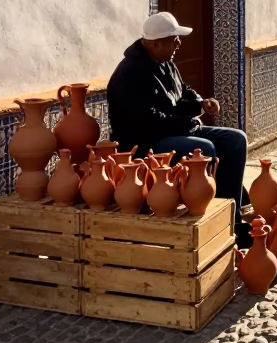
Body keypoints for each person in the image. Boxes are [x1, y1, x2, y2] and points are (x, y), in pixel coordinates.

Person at [107, 12, 250, 242]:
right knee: (204, 150)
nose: (179, 44)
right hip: (147, 143)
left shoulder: (167, 64)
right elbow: (148, 121)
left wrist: (201, 103)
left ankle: (232, 220)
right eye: (174, 39)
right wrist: (188, 122)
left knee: (236, 140)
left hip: (176, 130)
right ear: (156, 44)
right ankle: (209, 225)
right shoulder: (129, 74)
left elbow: (183, 92)